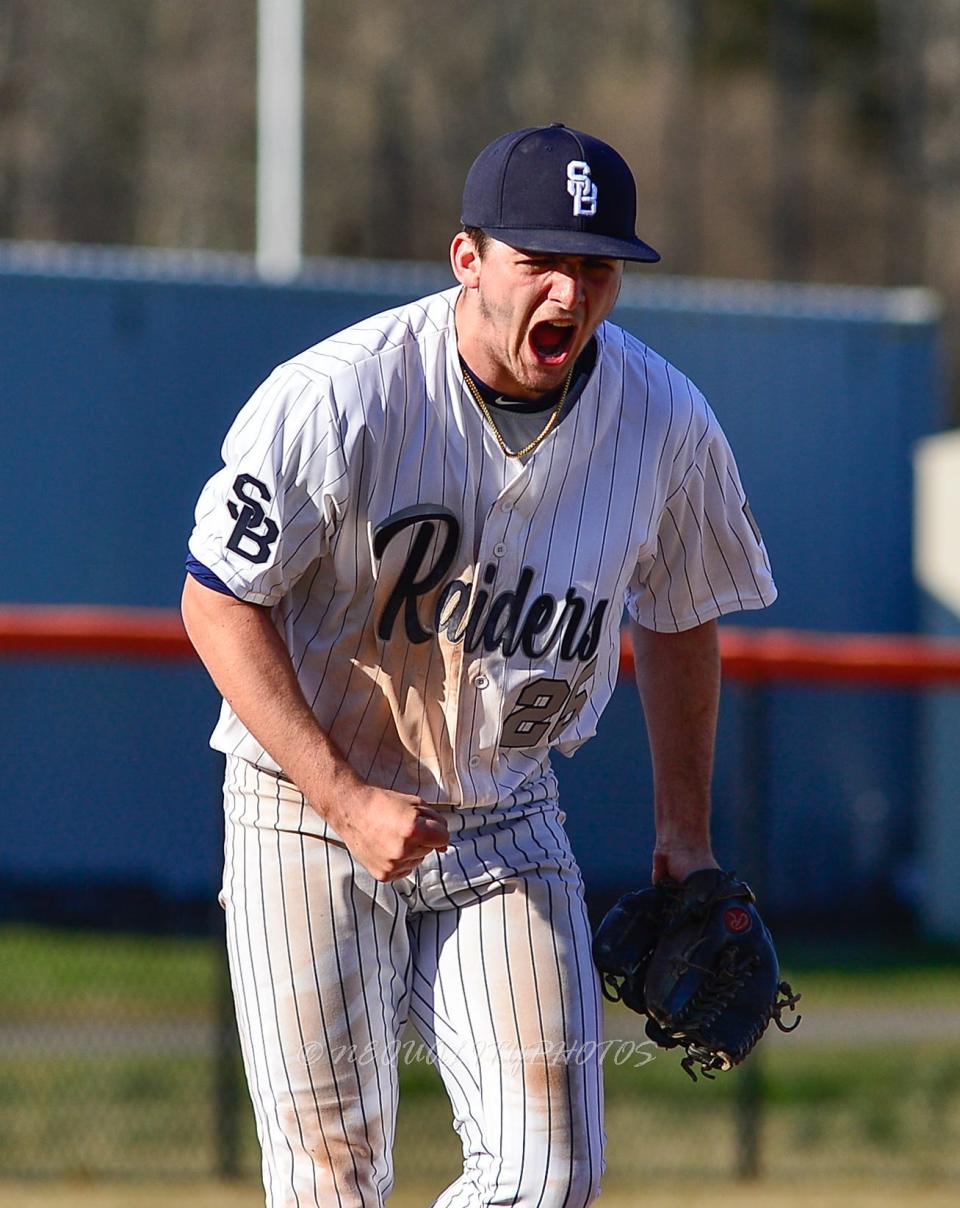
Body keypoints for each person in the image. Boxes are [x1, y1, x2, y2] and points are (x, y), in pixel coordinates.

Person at [182, 122, 776, 1208]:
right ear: (469, 259)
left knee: (549, 1173)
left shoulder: (665, 422)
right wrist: (342, 793)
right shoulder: (340, 396)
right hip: (301, 809)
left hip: (504, 809)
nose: (570, 290)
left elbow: (685, 612)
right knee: (329, 1181)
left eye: (596, 267)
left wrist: (683, 833)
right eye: (538, 259)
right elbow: (217, 600)